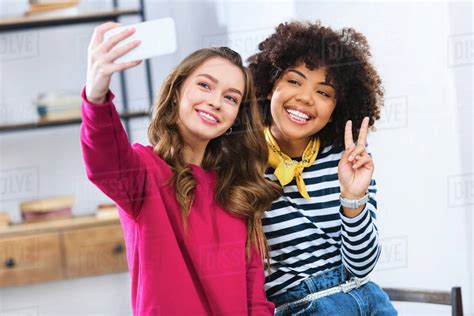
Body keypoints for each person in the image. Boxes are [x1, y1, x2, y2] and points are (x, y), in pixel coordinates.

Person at [80, 21, 280, 315]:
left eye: (230, 98)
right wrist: (96, 97)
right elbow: (104, 161)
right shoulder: (144, 174)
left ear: (235, 118)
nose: (214, 102)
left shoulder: (239, 193)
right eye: (204, 85)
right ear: (176, 93)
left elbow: (256, 302)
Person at [248, 21, 398, 315]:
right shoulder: (242, 161)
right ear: (269, 87)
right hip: (301, 307)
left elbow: (362, 265)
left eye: (324, 92)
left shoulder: (347, 160)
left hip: (368, 299)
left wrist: (353, 197)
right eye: (294, 81)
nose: (305, 98)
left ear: (335, 111)